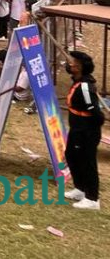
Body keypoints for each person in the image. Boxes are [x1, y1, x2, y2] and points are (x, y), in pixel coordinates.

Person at [63, 50, 104, 210]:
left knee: (88, 162)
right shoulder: (77, 81)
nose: (70, 64)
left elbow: (95, 112)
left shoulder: (86, 86)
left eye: (73, 63)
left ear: (80, 67)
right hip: (76, 128)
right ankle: (80, 188)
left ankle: (92, 198)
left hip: (86, 130)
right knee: (71, 155)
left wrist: (89, 130)